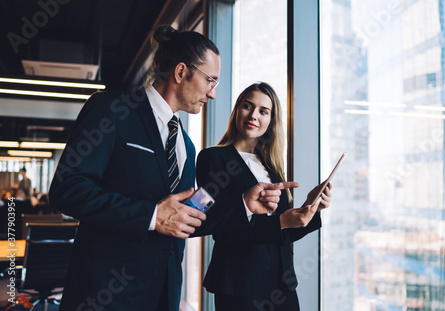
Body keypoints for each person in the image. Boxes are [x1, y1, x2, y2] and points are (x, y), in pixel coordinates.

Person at [48, 26, 297, 311]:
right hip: (104, 293)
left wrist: (244, 203)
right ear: (181, 72)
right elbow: (67, 190)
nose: (213, 94)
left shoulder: (186, 145)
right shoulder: (111, 110)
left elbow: (191, 214)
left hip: (162, 294)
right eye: (210, 81)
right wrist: (152, 215)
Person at [195, 82, 332, 311]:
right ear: (237, 109)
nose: (254, 115)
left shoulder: (271, 167)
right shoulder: (212, 158)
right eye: (248, 106)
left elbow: (281, 235)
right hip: (240, 285)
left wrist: (310, 207)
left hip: (282, 286)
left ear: (271, 120)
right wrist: (280, 222)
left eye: (263, 111)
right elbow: (218, 226)